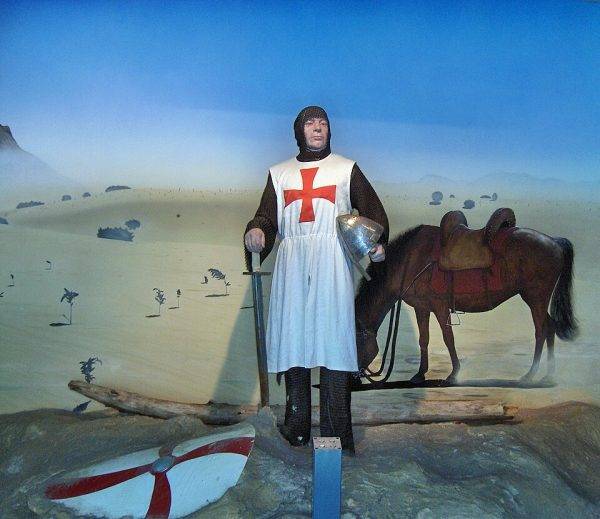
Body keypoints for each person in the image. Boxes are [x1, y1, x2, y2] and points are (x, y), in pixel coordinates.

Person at [244, 106, 388, 452]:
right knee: (294, 341)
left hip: (332, 260)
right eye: (310, 123)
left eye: (323, 123)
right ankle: (296, 429)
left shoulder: (345, 169)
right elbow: (267, 217)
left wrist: (375, 242)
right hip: (292, 262)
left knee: (333, 344)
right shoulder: (280, 173)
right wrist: (257, 231)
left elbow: (372, 212)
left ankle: (334, 436)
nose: (318, 128)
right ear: (300, 131)